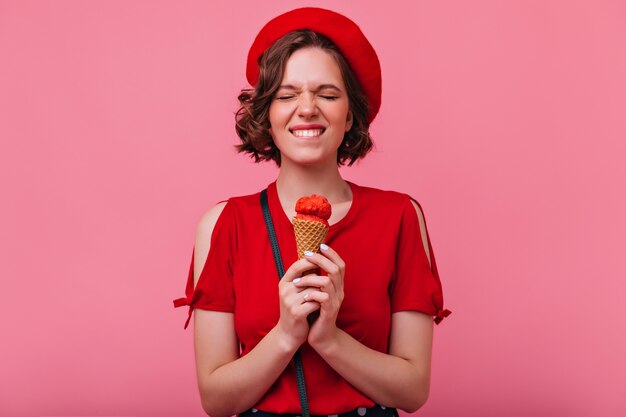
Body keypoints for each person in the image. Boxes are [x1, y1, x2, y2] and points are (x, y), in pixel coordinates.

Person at [173, 7, 451, 417]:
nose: (307, 109)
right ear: (266, 113)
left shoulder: (400, 216)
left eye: (327, 94)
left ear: (351, 113)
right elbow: (216, 400)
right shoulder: (222, 224)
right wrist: (286, 334)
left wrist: (330, 340)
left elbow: (412, 391)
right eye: (287, 95)